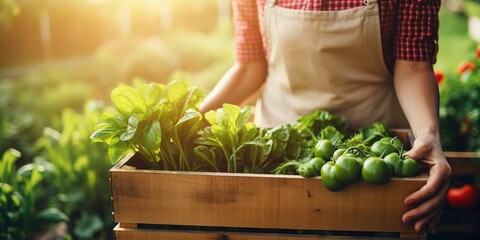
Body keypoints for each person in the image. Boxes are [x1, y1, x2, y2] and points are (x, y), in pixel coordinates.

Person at [199, 0, 451, 233]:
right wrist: (195, 117)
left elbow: (413, 67)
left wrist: (428, 134)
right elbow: (249, 66)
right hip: (278, 156)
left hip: (374, 157)